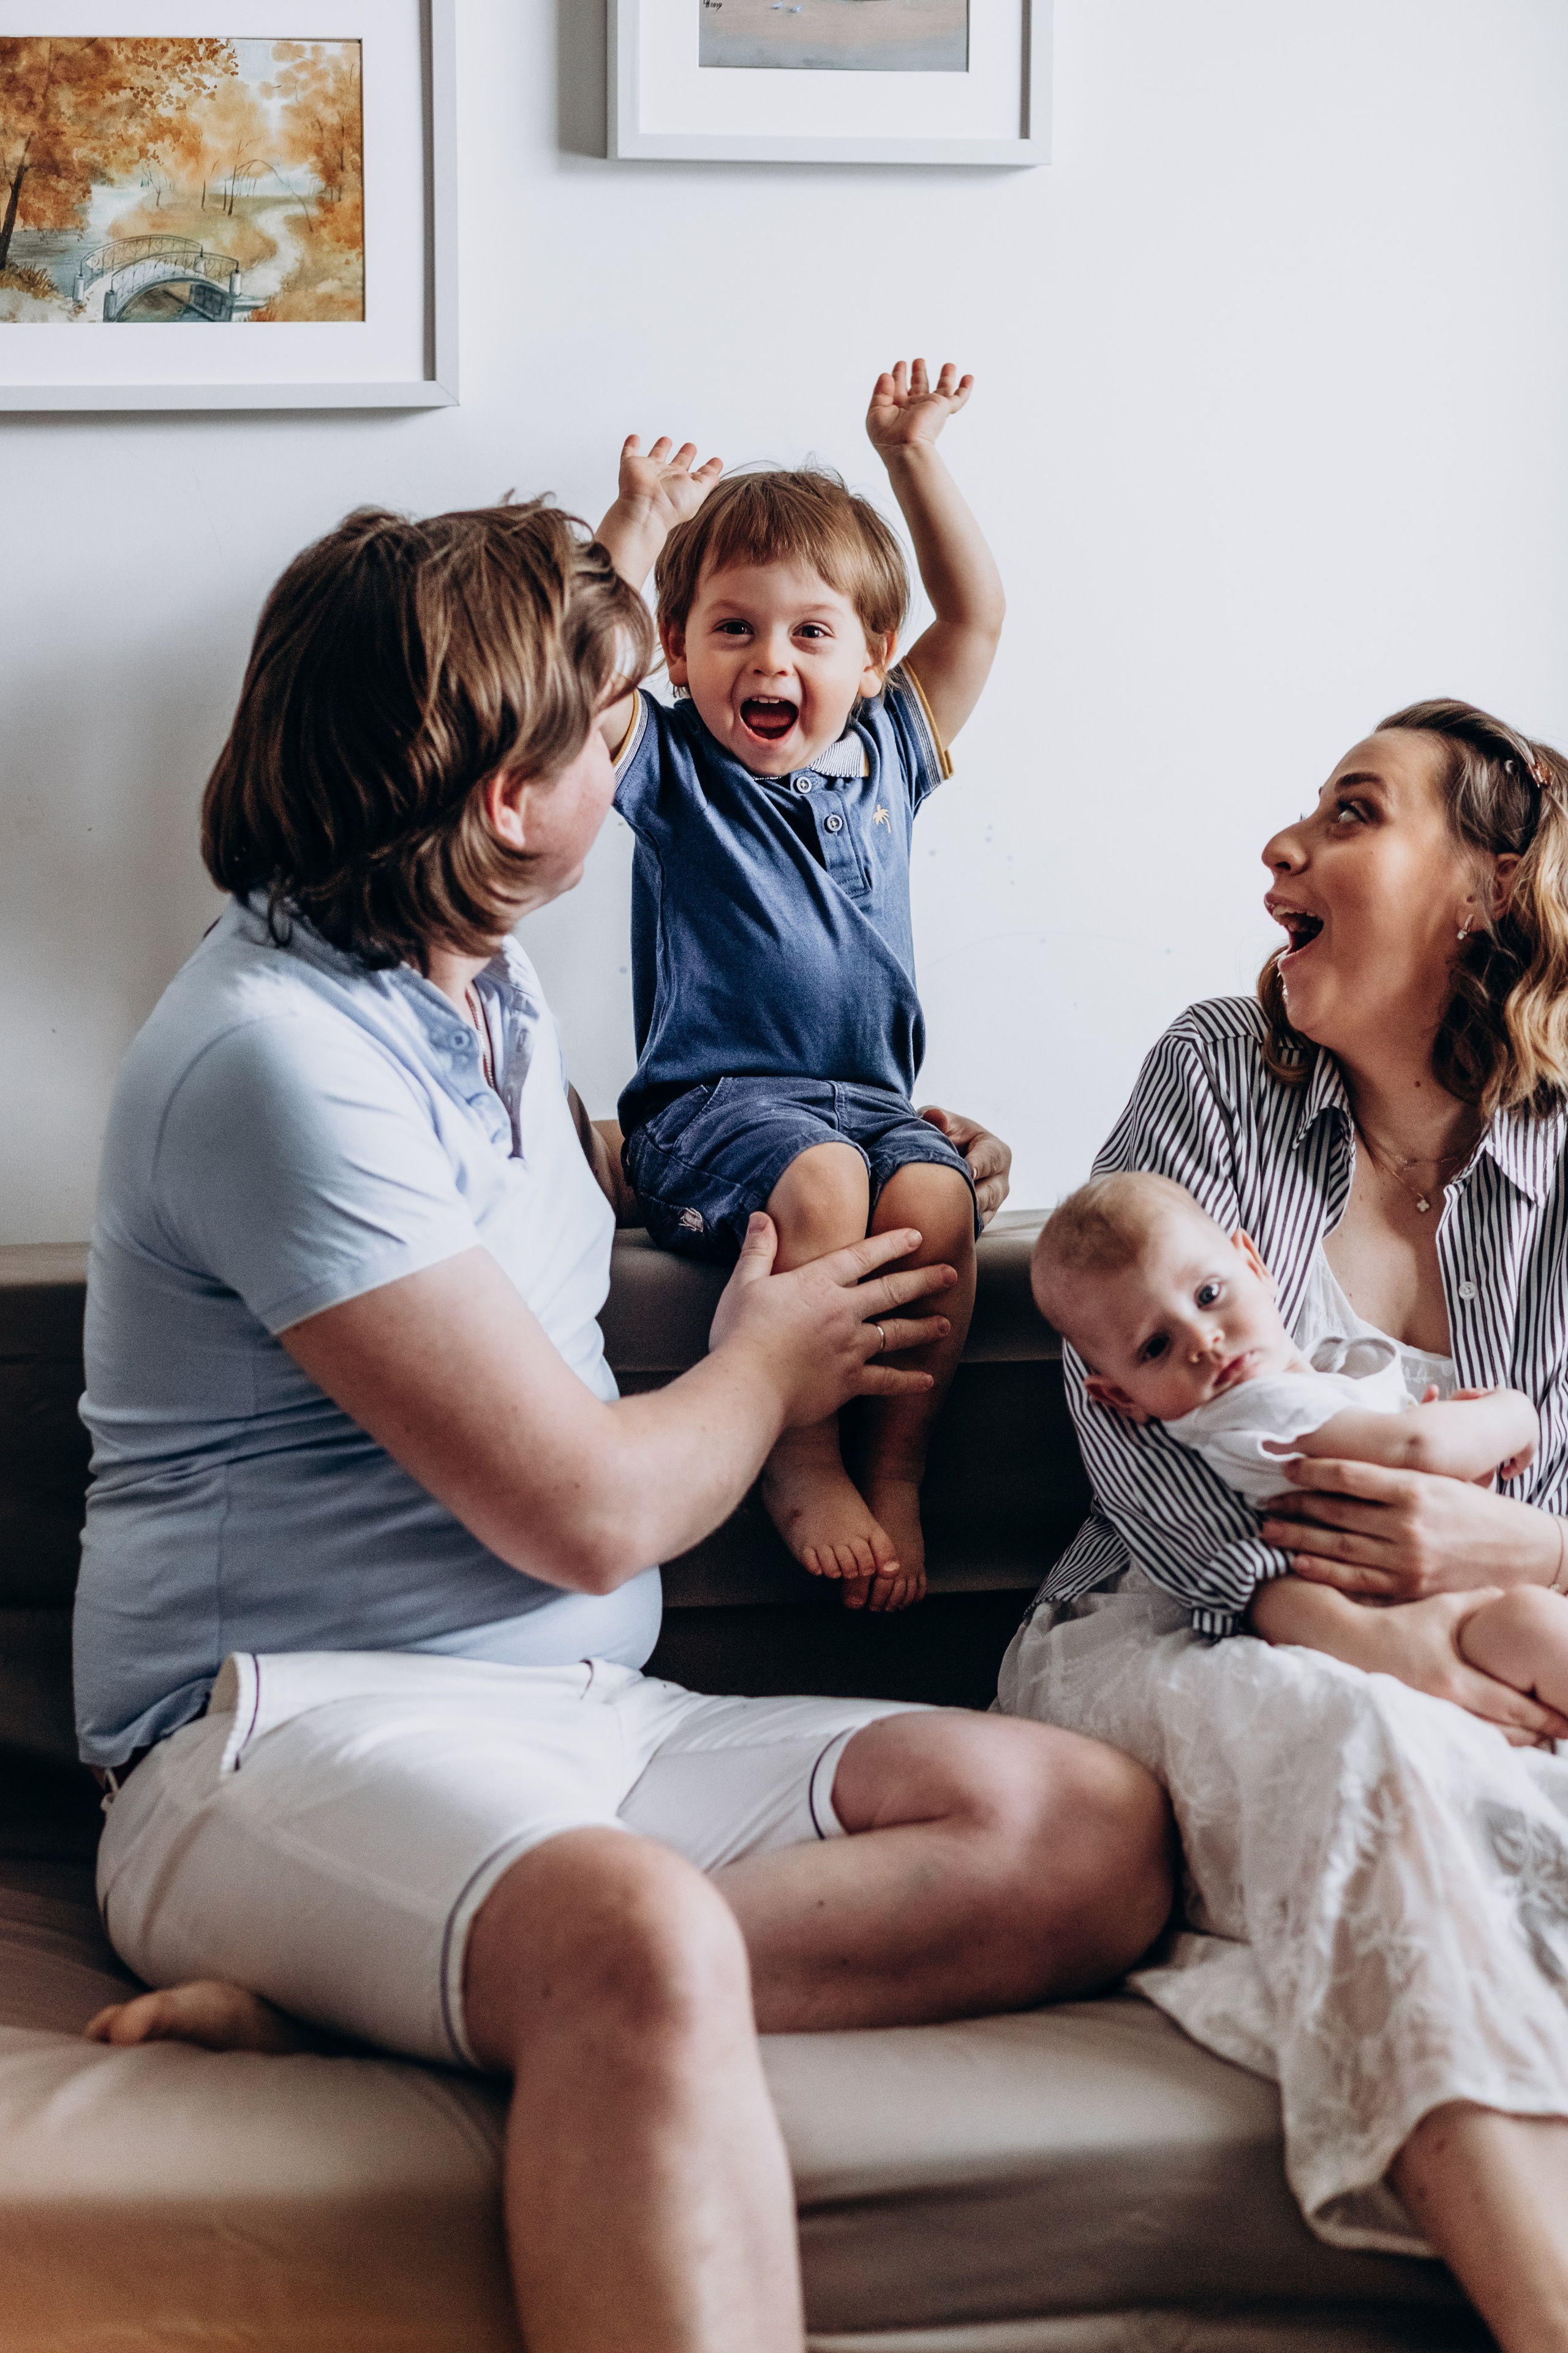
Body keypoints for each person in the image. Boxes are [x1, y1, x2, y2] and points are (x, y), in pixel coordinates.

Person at [75, 496, 1172, 2353]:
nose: (630, 759)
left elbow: (535, 1210)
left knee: (1075, 1823)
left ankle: (395, 1988)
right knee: (642, 1935)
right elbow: (588, 1514)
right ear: (510, 795)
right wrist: (769, 1354)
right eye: (607, 737)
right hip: (280, 1733)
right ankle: (492, 1963)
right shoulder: (274, 1057)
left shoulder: (471, 985)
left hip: (593, 1730)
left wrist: (898, 1134)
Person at [1000, 698, 1568, 2353]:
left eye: (1351, 810)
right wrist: (1310, 1612)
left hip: (1478, 1636)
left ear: (1485, 888)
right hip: (1167, 1629)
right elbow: (1115, 1418)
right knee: (1357, 1740)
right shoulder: (1212, 1074)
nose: (1282, 848)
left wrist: (1504, 1559)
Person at [594, 358, 1006, 1613]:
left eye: (809, 632)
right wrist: (633, 529)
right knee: (822, 1184)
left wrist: (910, 458)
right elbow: (576, 669)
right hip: (711, 1109)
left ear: (874, 657)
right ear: (675, 651)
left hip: (872, 1098)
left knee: (933, 1201)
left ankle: (893, 1466)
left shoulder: (889, 754)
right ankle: (799, 1451)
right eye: (731, 628)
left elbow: (977, 619)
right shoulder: (668, 769)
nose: (769, 659)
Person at [1032, 1169, 1568, 1718]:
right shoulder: (1253, 1407)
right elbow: (1415, 1448)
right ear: (1122, 1398)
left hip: (1424, 1597)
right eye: (1157, 1346)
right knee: (1540, 1630)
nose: (1203, 1339)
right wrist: (1513, 1413)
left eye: (1208, 1294)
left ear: (1253, 1264)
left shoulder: (1317, 1377)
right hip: (1404, 1619)